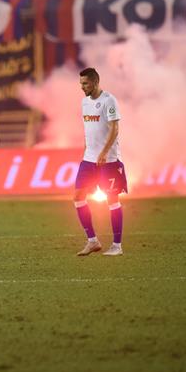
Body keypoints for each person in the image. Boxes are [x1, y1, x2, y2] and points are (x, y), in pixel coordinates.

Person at [74, 68, 127, 257]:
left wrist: (104, 152)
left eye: (85, 84)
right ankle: (92, 241)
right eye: (81, 84)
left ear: (95, 82)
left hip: (109, 160)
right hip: (88, 159)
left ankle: (117, 245)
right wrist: (85, 152)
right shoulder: (84, 103)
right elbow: (88, 130)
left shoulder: (108, 101)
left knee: (112, 200)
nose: (82, 87)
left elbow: (115, 128)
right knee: (78, 197)